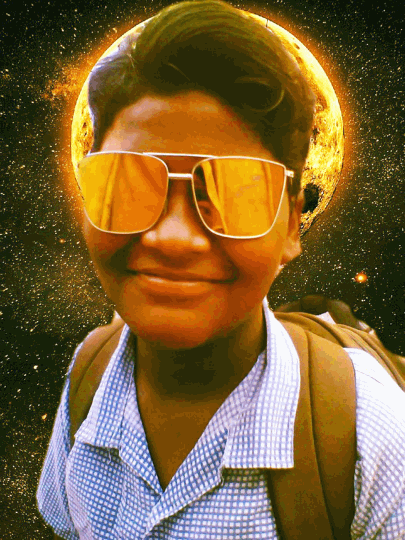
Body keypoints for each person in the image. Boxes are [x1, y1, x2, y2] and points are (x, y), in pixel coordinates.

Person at [37, 1, 405, 538]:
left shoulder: (372, 439)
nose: (173, 238)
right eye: (126, 182)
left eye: (235, 193)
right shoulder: (87, 377)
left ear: (292, 225)